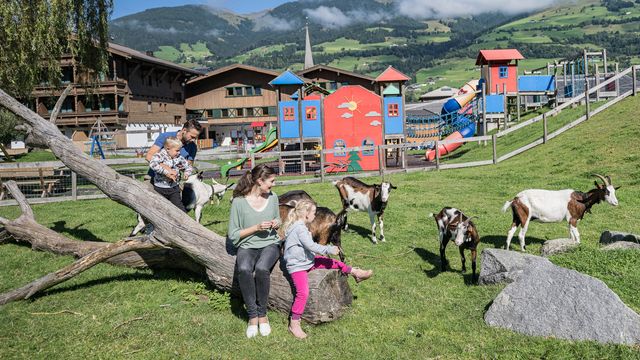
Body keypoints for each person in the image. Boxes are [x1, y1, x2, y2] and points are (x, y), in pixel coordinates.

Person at [282, 199, 373, 339]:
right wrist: (329, 248)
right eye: (313, 212)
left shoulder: (300, 225)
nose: (315, 215)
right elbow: (311, 246)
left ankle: (355, 272)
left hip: (307, 261)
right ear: (306, 214)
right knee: (303, 292)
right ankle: (294, 323)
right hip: (297, 266)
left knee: (331, 262)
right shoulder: (299, 228)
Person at [227, 164, 281, 338]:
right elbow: (234, 235)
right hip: (247, 245)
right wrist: (256, 228)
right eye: (271, 181)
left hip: (270, 244)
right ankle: (252, 316)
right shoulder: (239, 202)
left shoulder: (273, 198)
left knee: (262, 269)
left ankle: (262, 315)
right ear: (259, 180)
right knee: (243, 269)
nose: (273, 185)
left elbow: (278, 218)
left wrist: (276, 223)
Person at [148, 136, 193, 212]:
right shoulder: (160, 155)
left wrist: (187, 172)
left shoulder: (179, 157)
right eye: (177, 150)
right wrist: (166, 172)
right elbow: (153, 164)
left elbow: (189, 166)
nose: (179, 152)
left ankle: (182, 221)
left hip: (174, 188)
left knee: (179, 207)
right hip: (160, 188)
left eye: (179, 150)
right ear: (168, 149)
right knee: (160, 208)